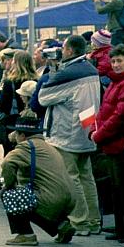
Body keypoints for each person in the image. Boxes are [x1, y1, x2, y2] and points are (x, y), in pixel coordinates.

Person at [37, 34, 102, 236]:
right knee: (87, 177)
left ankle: (80, 221)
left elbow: (43, 97)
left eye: (63, 49)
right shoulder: (91, 69)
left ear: (70, 51)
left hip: (68, 133)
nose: (61, 52)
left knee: (72, 178)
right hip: (88, 128)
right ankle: (93, 220)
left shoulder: (69, 74)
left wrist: (52, 70)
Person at [1, 111, 77, 246]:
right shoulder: (48, 146)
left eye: (16, 133)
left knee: (9, 195)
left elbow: (7, 163)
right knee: (34, 198)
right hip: (69, 199)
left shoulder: (26, 146)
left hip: (51, 199)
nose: (14, 136)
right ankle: (61, 225)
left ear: (22, 135)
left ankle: (25, 234)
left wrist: (9, 185)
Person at [91, 44, 124, 242]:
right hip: (111, 141)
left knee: (123, 188)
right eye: (113, 61)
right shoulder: (116, 83)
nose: (115, 65)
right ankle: (120, 228)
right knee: (116, 187)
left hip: (120, 142)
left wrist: (99, 134)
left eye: (119, 61)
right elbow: (104, 112)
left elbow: (119, 116)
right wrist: (95, 128)